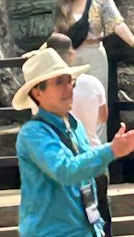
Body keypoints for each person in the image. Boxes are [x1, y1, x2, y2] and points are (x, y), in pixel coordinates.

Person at [13, 45, 134, 237]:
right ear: (37, 93)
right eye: (59, 82)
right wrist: (111, 150)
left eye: (70, 82)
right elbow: (65, 170)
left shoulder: (75, 127)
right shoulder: (32, 134)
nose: (68, 88)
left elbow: (84, 172)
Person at [46, 33, 111, 237]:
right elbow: (102, 117)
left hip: (63, 162)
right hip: (94, 156)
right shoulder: (93, 83)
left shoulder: (46, 92)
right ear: (72, 56)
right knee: (101, 214)